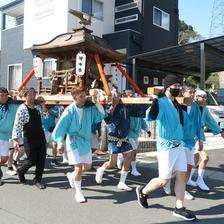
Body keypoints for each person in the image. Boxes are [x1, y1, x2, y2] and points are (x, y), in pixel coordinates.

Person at [136, 75, 196, 221]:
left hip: (179, 144)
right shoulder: (162, 102)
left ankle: (179, 208)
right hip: (166, 146)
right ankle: (143, 191)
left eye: (179, 86)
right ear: (167, 87)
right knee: (164, 180)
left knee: (182, 175)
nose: (178, 88)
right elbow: (150, 117)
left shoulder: (175, 102)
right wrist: (154, 102)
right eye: (175, 86)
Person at [52, 85, 105, 203]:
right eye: (81, 96)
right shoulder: (69, 110)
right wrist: (60, 142)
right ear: (75, 98)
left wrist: (97, 103)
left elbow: (99, 117)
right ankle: (78, 192)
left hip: (85, 141)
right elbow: (61, 127)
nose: (84, 98)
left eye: (85, 95)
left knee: (87, 167)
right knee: (78, 168)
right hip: (73, 141)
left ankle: (71, 176)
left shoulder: (89, 108)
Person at [95, 95, 148, 191]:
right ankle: (101, 169)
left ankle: (122, 182)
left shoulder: (129, 107)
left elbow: (141, 112)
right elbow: (107, 120)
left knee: (129, 156)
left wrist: (147, 101)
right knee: (112, 163)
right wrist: (114, 105)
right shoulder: (111, 106)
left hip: (125, 138)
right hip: (114, 138)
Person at [163, 84, 204, 200]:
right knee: (181, 167)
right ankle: (170, 182)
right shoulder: (177, 105)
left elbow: (198, 124)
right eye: (190, 92)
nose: (192, 94)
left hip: (191, 141)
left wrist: (200, 140)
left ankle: (181, 186)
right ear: (183, 93)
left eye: (193, 92)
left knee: (190, 166)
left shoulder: (196, 107)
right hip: (179, 141)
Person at [187, 90, 224, 191]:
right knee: (205, 158)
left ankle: (188, 179)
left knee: (194, 160)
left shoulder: (204, 109)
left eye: (205, 97)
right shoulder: (191, 107)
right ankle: (199, 180)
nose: (204, 98)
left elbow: (211, 121)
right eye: (201, 96)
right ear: (195, 97)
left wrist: (220, 131)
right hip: (190, 138)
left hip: (199, 137)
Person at [12, 87, 47, 189]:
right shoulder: (22, 109)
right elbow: (17, 125)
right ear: (25, 96)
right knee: (32, 160)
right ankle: (21, 170)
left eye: (33, 95)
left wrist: (44, 107)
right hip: (29, 138)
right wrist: (15, 140)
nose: (32, 97)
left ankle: (37, 180)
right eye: (29, 95)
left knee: (41, 160)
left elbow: (45, 117)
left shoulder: (37, 107)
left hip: (40, 137)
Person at [117, 90, 151, 176]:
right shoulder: (124, 108)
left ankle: (122, 159)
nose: (132, 97)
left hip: (136, 134)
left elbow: (142, 121)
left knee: (133, 152)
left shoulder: (137, 108)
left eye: (133, 96)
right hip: (127, 133)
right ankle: (132, 169)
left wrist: (147, 130)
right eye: (130, 96)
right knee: (132, 153)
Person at [0, 87, 20, 185]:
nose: (3, 97)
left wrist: (37, 102)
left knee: (4, 158)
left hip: (5, 136)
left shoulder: (13, 106)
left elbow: (25, 105)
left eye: (5, 95)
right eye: (1, 95)